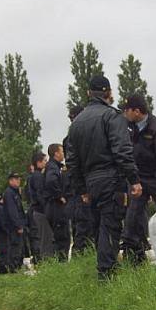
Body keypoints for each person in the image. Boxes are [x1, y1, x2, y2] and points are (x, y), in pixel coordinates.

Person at [66, 75, 142, 280]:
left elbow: (72, 162)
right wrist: (134, 179)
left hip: (90, 182)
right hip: (111, 178)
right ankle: (107, 275)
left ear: (89, 93)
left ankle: (106, 271)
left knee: (98, 227)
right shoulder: (112, 116)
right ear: (108, 92)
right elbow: (122, 150)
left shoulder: (76, 124)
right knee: (111, 226)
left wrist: (82, 189)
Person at [119, 94, 156, 265]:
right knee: (132, 220)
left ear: (137, 111)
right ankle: (135, 259)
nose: (125, 114)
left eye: (127, 110)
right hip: (139, 180)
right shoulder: (131, 128)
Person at [65, 105, 100, 254]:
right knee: (83, 225)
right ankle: (81, 254)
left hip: (89, 183)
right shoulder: (72, 138)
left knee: (93, 223)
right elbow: (73, 165)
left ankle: (93, 251)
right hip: (83, 187)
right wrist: (81, 189)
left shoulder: (72, 137)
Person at [43, 143, 72, 261]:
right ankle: (61, 262)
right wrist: (60, 196)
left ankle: (61, 260)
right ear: (56, 153)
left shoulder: (55, 167)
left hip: (53, 206)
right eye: (62, 151)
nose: (63, 154)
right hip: (56, 207)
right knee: (62, 236)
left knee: (62, 235)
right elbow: (51, 181)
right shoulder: (52, 167)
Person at [25, 151, 54, 261]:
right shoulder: (37, 176)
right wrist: (46, 207)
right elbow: (39, 193)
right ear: (38, 163)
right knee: (46, 238)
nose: (46, 163)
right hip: (40, 211)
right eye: (44, 161)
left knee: (43, 237)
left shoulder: (34, 176)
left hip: (37, 210)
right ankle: (48, 261)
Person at [2, 172, 27, 273]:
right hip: (14, 226)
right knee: (15, 247)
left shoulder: (15, 193)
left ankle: (16, 267)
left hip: (17, 224)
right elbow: (13, 212)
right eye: (16, 179)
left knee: (19, 247)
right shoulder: (9, 193)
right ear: (10, 181)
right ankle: (14, 269)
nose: (18, 181)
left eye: (19, 179)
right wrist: (18, 225)